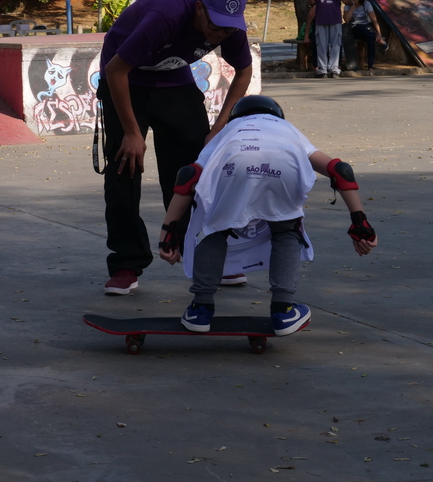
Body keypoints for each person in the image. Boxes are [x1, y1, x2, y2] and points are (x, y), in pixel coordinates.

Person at [157, 95, 378, 335]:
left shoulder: (229, 129)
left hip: (233, 166)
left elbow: (188, 176)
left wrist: (168, 233)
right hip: (283, 167)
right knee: (286, 230)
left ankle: (200, 310)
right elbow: (340, 170)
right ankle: (284, 311)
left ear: (235, 117)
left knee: (217, 229)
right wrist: (360, 223)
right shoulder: (286, 128)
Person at [98, 0, 253, 296]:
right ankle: (127, 263)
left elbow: (244, 71)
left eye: (227, 30)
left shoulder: (230, 27)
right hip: (125, 80)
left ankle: (204, 254)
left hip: (174, 81)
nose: (219, 35)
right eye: (215, 27)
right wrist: (131, 133)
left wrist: (219, 127)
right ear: (199, 8)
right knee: (125, 167)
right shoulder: (166, 14)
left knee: (195, 169)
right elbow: (115, 71)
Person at [308, 0, 350, 78]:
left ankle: (322, 70)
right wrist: (352, 3)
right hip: (335, 16)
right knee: (336, 43)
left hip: (321, 16)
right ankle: (334, 69)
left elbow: (312, 0)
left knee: (322, 44)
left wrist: (311, 3)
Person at [343, 0, 387, 72]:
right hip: (354, 28)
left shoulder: (366, 4)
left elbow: (374, 20)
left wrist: (379, 34)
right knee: (359, 27)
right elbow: (347, 19)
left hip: (366, 28)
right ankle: (379, 40)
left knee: (370, 40)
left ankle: (370, 66)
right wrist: (353, 5)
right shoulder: (348, 5)